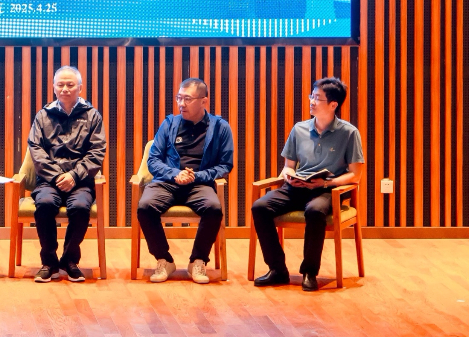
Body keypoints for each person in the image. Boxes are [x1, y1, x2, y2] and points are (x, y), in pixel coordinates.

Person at [251, 76, 365, 291]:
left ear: (333, 104)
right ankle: (277, 269)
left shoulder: (349, 133)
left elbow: (355, 175)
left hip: (327, 189)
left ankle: (309, 272)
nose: (312, 101)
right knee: (260, 207)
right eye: (311, 96)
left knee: (315, 211)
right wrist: (289, 175)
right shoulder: (299, 129)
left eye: (317, 98)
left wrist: (325, 183)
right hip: (297, 186)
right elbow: (288, 166)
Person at [136, 77, 234, 284]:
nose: (181, 103)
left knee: (214, 209)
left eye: (187, 99)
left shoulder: (220, 127)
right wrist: (175, 174)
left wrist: (197, 176)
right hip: (167, 182)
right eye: (179, 98)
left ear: (203, 101)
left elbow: (225, 165)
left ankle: (198, 260)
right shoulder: (169, 124)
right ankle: (164, 259)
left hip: (199, 184)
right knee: (145, 207)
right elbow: (153, 160)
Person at [27, 65, 107, 283]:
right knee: (44, 204)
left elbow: (97, 152)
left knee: (80, 207)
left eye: (70, 85)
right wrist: (56, 177)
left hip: (80, 181)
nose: (64, 89)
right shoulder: (43, 115)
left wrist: (74, 176)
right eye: (60, 85)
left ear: (80, 88)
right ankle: (49, 262)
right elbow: (36, 150)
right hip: (49, 180)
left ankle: (70, 260)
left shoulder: (92, 115)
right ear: (54, 87)